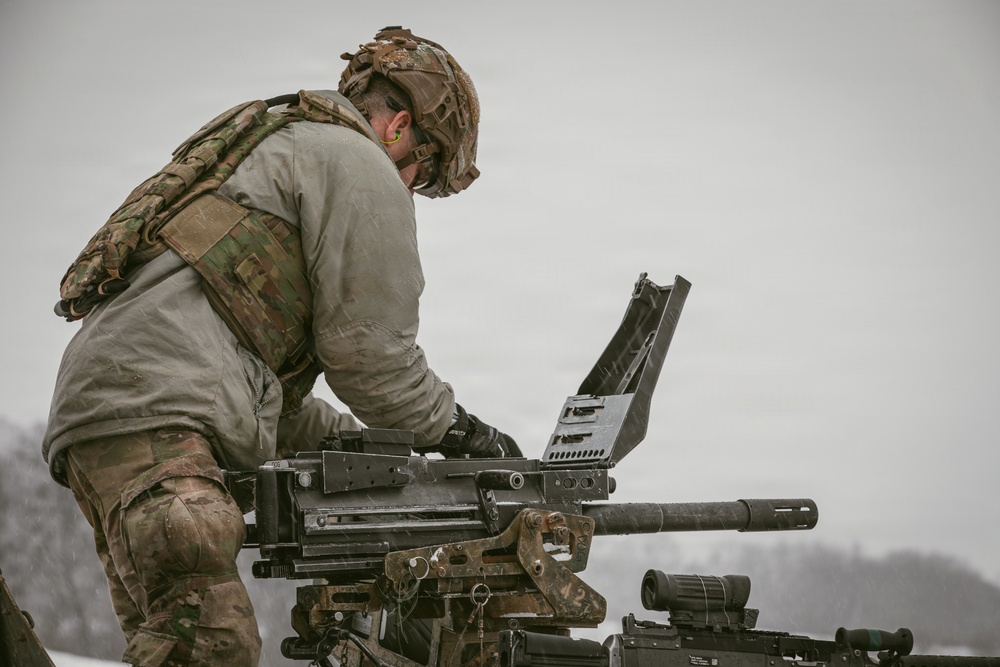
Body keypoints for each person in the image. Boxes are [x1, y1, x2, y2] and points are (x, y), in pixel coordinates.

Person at [42, 27, 518, 667]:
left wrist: (361, 445)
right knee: (212, 646)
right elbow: (371, 359)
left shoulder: (276, 144)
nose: (410, 188)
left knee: (168, 643)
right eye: (423, 170)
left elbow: (245, 379)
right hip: (159, 419)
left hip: (109, 415)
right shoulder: (357, 163)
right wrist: (460, 433)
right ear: (400, 127)